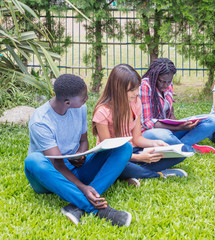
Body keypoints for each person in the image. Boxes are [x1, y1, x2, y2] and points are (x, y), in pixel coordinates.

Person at [24, 74, 133, 227]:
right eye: (83, 97)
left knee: (124, 148)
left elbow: (83, 141)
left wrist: (80, 155)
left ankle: (77, 204)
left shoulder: (80, 108)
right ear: (67, 102)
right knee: (33, 161)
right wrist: (83, 187)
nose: (87, 98)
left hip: (75, 168)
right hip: (49, 176)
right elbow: (58, 165)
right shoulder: (40, 121)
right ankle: (97, 210)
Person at [92, 64, 188, 187]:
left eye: (137, 88)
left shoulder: (135, 102)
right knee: (119, 164)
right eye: (132, 90)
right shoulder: (103, 112)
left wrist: (155, 143)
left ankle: (134, 173)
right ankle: (158, 174)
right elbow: (108, 150)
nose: (137, 93)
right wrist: (139, 158)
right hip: (114, 156)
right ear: (118, 89)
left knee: (181, 152)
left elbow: (137, 138)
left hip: (133, 150)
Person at [139, 58, 215, 154]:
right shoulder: (145, 86)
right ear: (154, 76)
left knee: (212, 120)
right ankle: (188, 148)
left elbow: (169, 110)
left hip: (169, 128)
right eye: (162, 81)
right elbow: (147, 122)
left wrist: (179, 123)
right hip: (149, 132)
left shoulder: (168, 85)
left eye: (169, 81)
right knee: (166, 136)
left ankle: (180, 146)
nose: (165, 85)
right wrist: (179, 128)